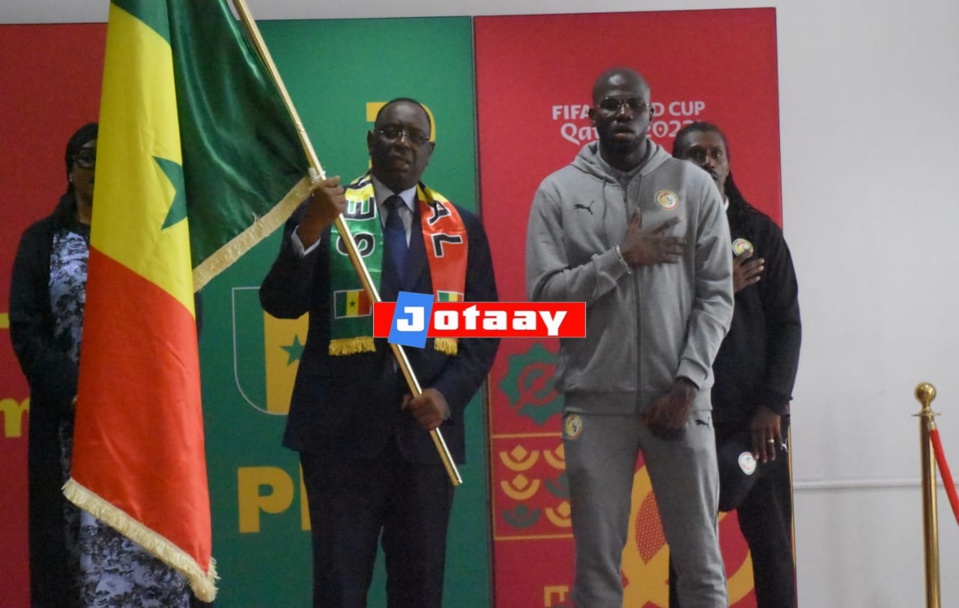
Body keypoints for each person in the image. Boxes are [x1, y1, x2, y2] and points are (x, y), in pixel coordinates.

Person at [259, 98, 499, 608]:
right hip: (339, 439)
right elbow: (279, 303)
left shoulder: (460, 226)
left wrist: (447, 394)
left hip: (426, 437)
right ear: (371, 141)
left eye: (414, 137)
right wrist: (310, 230)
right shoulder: (329, 212)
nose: (402, 144)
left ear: (430, 152)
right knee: (339, 589)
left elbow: (483, 329)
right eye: (390, 133)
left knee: (419, 589)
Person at [526, 67, 734, 608]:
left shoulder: (693, 188)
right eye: (611, 105)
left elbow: (716, 295)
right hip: (594, 406)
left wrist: (689, 382)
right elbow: (547, 301)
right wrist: (621, 259)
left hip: (680, 402)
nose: (623, 114)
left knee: (702, 568)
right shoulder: (557, 192)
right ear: (590, 114)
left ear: (650, 114)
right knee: (595, 574)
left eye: (633, 105)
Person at [10, 123, 195, 607]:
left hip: (147, 425)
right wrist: (80, 395)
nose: (97, 170)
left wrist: (140, 392)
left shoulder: (154, 239)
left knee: (156, 556)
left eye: (109, 158)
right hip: (74, 425)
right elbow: (27, 330)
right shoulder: (41, 242)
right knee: (72, 557)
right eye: (87, 159)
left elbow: (184, 319)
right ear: (70, 171)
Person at [671, 122, 802, 608]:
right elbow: (654, 325)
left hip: (756, 421)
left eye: (715, 154)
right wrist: (719, 286)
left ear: (727, 165)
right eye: (693, 154)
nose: (706, 162)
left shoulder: (760, 232)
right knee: (687, 555)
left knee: (772, 550)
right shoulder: (660, 238)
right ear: (673, 165)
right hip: (688, 416)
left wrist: (773, 404)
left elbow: (789, 323)